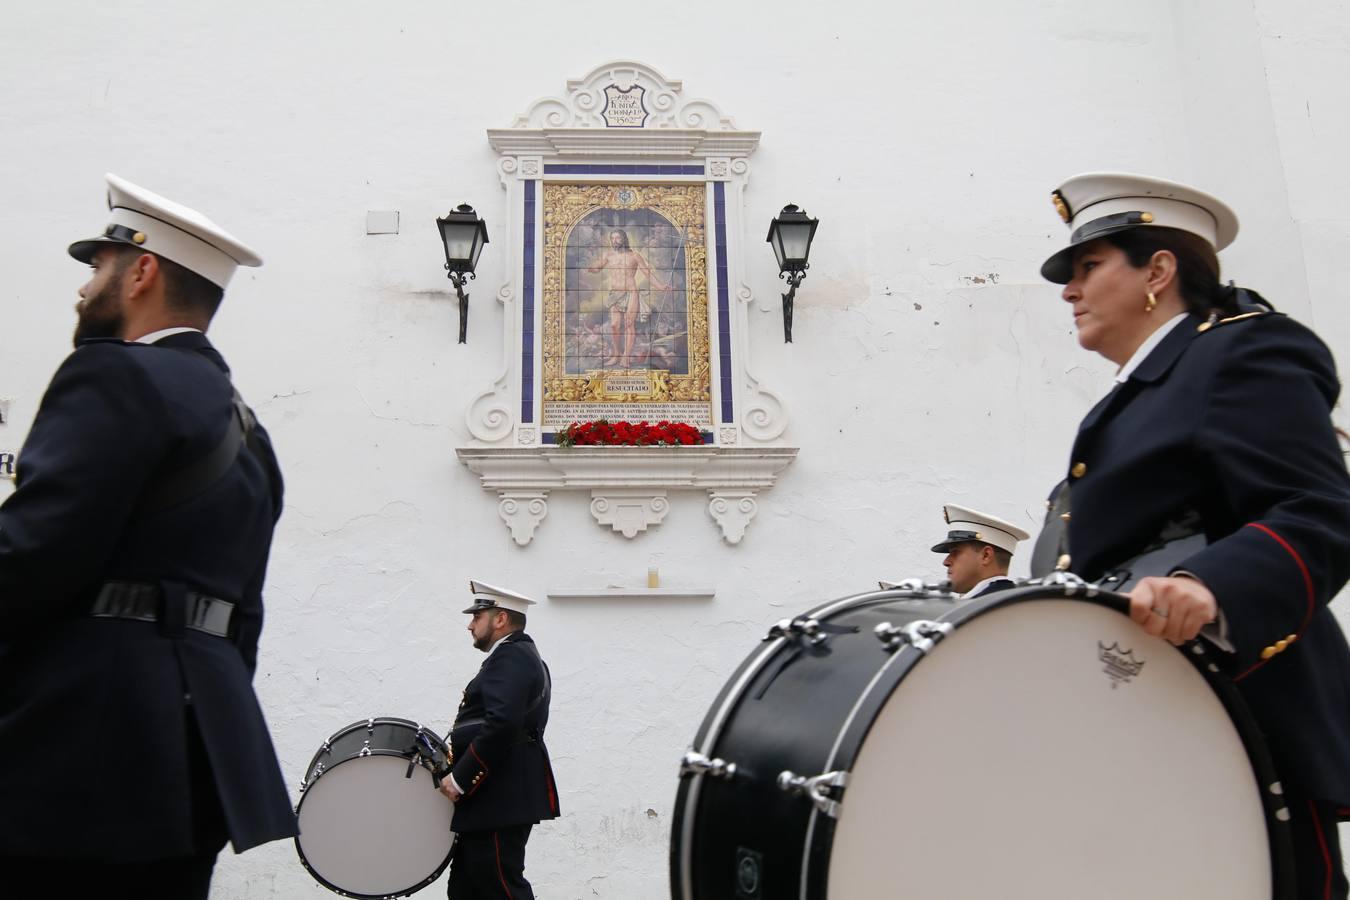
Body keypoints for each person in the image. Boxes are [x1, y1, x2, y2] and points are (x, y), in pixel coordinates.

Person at [1034, 172, 1350, 899]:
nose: (1068, 290)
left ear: (1160, 270)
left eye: (1088, 267)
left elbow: (1317, 510)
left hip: (1248, 718)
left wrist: (1209, 586)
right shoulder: (1149, 387)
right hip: (1163, 715)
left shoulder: (1243, 352)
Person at [0, 174, 296, 897]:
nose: (83, 289)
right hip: (195, 759)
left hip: (74, 754)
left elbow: (30, 556)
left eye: (97, 267)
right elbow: (243, 618)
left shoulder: (111, 376)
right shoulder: (249, 430)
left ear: (141, 272)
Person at [439, 580, 560, 899]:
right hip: (495, 799)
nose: (470, 624)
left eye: (477, 616)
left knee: (499, 887)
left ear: (500, 619)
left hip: (498, 798)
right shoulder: (519, 656)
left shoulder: (512, 656)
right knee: (467, 887)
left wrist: (461, 778)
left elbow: (503, 723)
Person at [586, 228, 673, 368]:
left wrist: (661, 286)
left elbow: (648, 273)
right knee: (614, 326)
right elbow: (599, 267)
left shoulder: (635, 256)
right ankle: (616, 354)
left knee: (628, 324)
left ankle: (626, 357)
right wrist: (592, 268)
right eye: (612, 238)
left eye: (617, 238)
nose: (615, 241)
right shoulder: (608, 255)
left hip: (631, 293)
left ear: (624, 239)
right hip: (615, 293)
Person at [930, 503, 1029, 598]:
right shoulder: (1013, 603)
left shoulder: (985, 609)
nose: (946, 562)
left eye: (956, 552)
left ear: (986, 555)